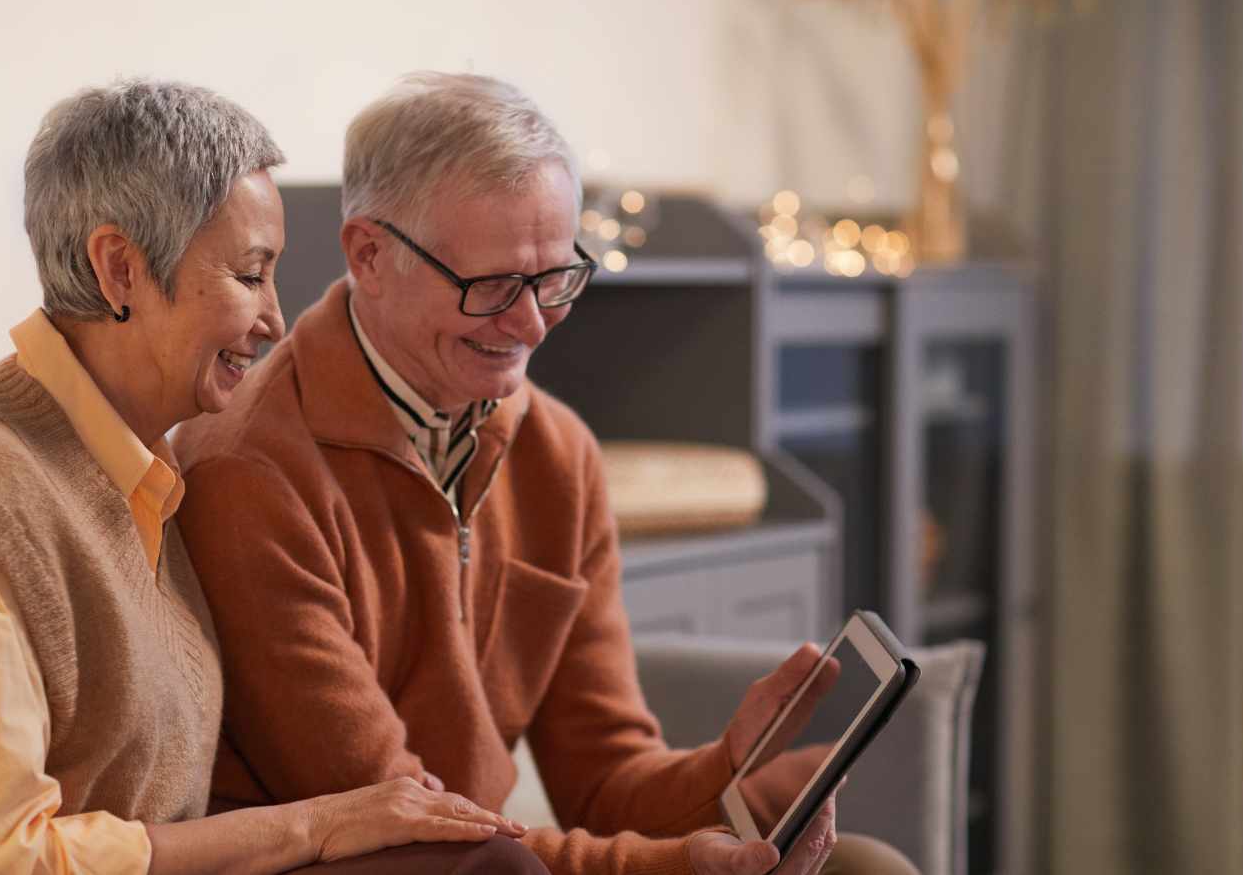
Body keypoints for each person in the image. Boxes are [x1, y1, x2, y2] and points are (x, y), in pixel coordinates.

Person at [172, 72, 918, 875]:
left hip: (491, 853)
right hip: (363, 858)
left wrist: (733, 765)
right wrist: (669, 867)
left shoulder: (559, 455)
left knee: (865, 866)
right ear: (370, 254)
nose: (530, 324)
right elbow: (401, 814)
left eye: (556, 278)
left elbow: (604, 780)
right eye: (491, 286)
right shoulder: (250, 470)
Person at [0, 79, 545, 875]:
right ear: (121, 269)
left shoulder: (135, 473)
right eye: (249, 275)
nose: (274, 319)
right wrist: (308, 829)